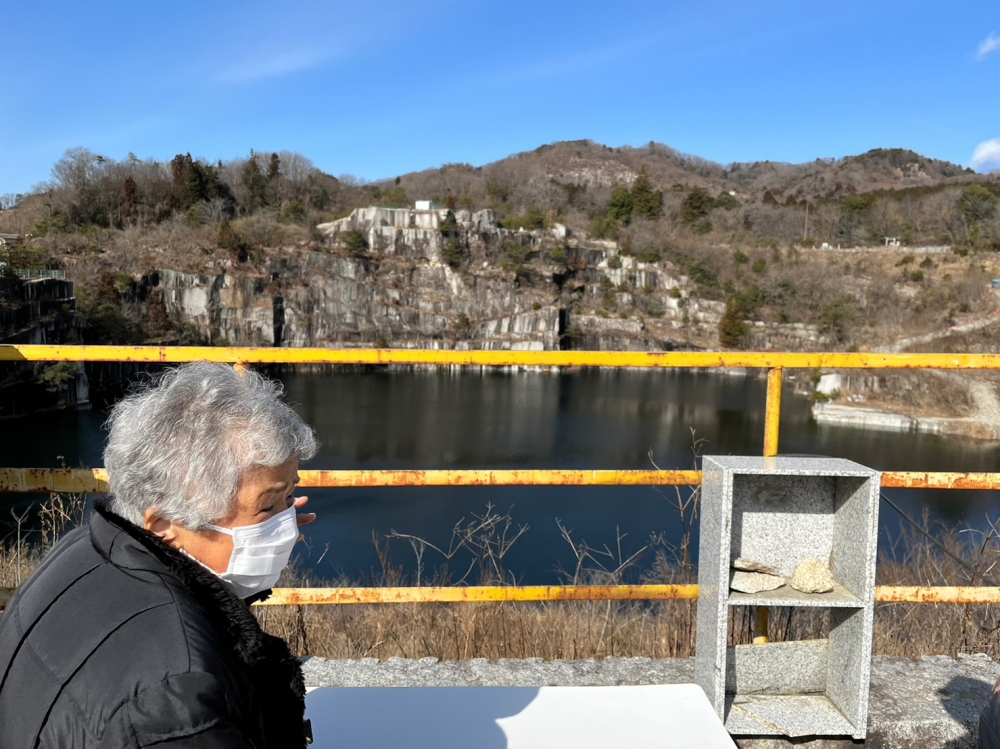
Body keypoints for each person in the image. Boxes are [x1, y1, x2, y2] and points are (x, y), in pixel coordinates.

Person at [0, 362, 319, 747]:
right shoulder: (176, 701)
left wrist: (261, 526)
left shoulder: (84, 552)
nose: (287, 521)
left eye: (290, 495)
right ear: (164, 524)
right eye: (268, 506)